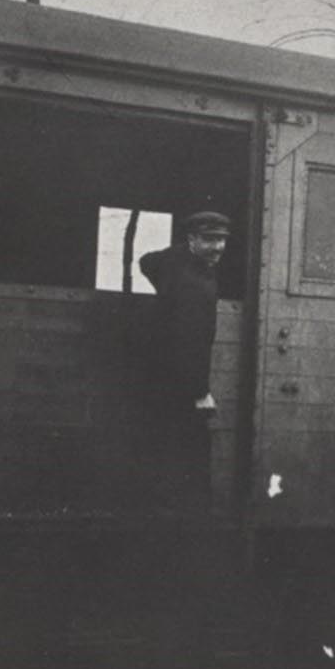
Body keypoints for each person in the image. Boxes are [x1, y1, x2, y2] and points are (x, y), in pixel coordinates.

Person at [137, 210, 231, 512]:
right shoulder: (196, 284)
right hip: (182, 383)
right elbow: (192, 341)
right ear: (191, 239)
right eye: (209, 240)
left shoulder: (175, 265)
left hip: (158, 376)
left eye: (221, 240)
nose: (217, 248)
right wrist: (200, 392)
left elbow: (146, 261)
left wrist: (181, 256)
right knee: (188, 453)